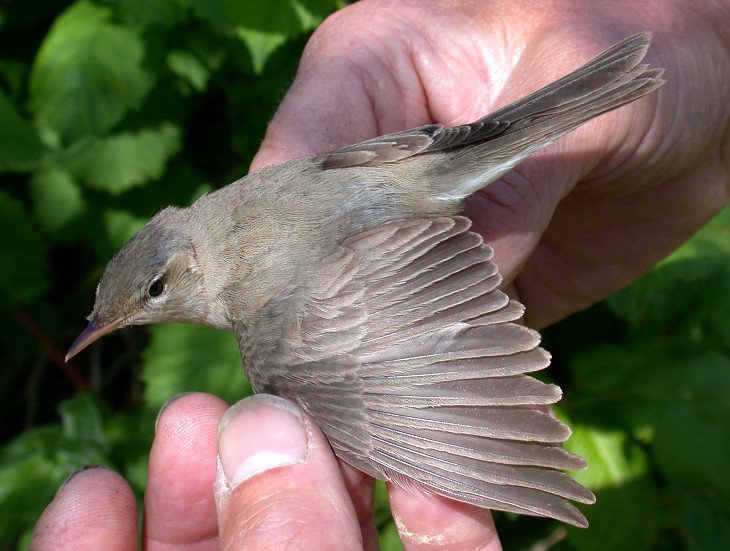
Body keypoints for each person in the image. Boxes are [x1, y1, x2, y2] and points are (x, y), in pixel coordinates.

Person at [30, 0, 730, 549]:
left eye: (152, 295)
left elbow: (380, 390)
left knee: (305, 389)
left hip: (412, 198)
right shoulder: (230, 210)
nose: (141, 314)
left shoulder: (259, 311)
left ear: (182, 265)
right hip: (404, 162)